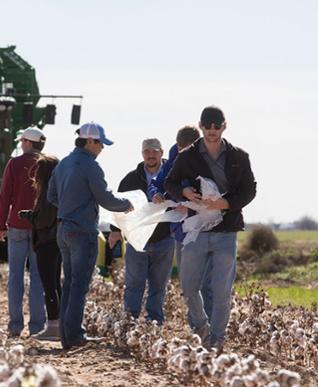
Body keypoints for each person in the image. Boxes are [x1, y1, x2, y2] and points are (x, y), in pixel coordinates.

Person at [164, 106, 256, 350]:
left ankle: (217, 339)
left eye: (217, 126)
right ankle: (202, 326)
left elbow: (250, 190)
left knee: (222, 290)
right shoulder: (187, 156)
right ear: (201, 126)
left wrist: (225, 203)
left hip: (227, 230)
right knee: (189, 287)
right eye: (208, 126)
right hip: (197, 230)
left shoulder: (239, 156)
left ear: (225, 126)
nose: (212, 130)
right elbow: (169, 182)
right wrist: (183, 191)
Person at [48, 122, 133, 350]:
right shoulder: (90, 166)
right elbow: (105, 199)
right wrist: (127, 205)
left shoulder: (63, 163)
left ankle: (67, 337)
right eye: (101, 143)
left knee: (69, 284)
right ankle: (75, 337)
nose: (102, 148)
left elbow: (51, 195)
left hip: (63, 228)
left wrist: (69, 206)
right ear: (89, 142)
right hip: (82, 231)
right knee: (79, 286)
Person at [147, 126, 216, 319]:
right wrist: (156, 194)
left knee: (206, 285)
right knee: (187, 284)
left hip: (204, 231)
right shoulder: (173, 158)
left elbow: (215, 196)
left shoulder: (210, 159)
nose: (183, 154)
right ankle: (197, 325)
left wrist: (192, 208)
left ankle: (209, 330)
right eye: (180, 149)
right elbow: (158, 182)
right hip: (180, 231)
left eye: (187, 150)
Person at [107, 138, 175, 324]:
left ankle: (154, 324)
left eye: (154, 151)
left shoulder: (172, 176)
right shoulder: (130, 179)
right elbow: (118, 206)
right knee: (134, 284)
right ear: (142, 154)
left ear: (161, 153)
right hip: (137, 240)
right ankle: (130, 322)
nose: (151, 155)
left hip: (164, 238)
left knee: (159, 285)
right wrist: (114, 231)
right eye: (147, 151)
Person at [0, 127, 48, 337]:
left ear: (27, 142)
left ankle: (15, 326)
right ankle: (37, 327)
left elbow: (4, 197)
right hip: (42, 228)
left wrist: (1, 225)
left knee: (16, 277)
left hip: (17, 225)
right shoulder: (49, 164)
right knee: (38, 278)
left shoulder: (15, 163)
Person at [19, 154, 62, 341]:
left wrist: (29, 217)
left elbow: (43, 220)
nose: (35, 173)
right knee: (55, 283)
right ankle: (60, 324)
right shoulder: (59, 190)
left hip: (46, 243)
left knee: (49, 286)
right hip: (56, 241)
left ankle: (53, 326)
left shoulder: (47, 192)